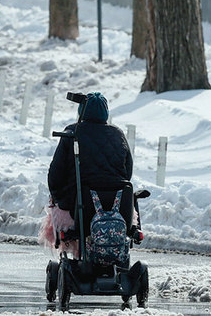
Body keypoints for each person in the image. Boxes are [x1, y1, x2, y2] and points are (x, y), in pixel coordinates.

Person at [44, 92, 141, 255]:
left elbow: (56, 173)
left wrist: (58, 197)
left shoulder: (72, 132)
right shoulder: (117, 134)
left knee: (60, 206)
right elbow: (127, 171)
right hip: (117, 204)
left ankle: (77, 255)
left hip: (80, 204)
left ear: (82, 111)